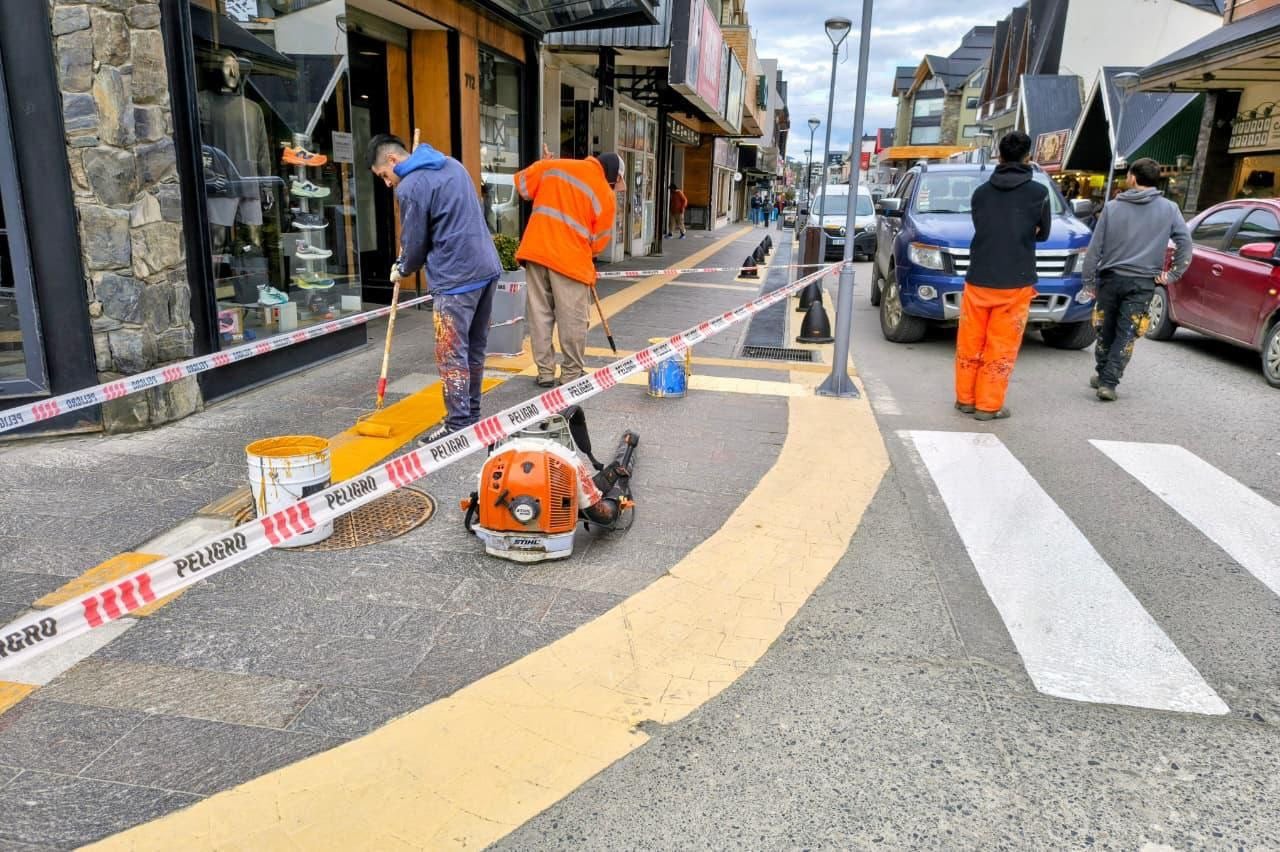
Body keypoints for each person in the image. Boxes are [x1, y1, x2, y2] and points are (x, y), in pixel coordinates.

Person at [368, 133, 502, 445]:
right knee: (474, 349)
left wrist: (402, 268)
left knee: (451, 353)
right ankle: (470, 415)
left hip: (456, 278)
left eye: (384, 176)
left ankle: (457, 424)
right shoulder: (453, 166)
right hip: (485, 267)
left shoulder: (412, 187)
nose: (388, 184)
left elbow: (414, 243)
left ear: (392, 160)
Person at [954, 130, 1051, 421]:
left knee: (970, 341)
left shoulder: (981, 193)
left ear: (999, 154)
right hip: (1016, 279)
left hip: (979, 275)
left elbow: (981, 226)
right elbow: (1043, 233)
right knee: (1001, 345)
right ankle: (988, 404)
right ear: (1028, 157)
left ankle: (965, 398)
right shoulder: (1038, 193)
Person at [1081, 157, 1192, 401]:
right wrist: (1173, 274)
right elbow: (1185, 242)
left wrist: (1088, 282)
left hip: (1111, 277)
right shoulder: (1169, 209)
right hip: (1143, 282)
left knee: (1104, 328)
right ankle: (1108, 382)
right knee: (1127, 331)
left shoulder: (1112, 207)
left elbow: (1094, 249)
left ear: (1132, 177)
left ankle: (1103, 374)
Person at [514, 151, 622, 387]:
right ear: (613, 176)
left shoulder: (554, 166)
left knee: (540, 315)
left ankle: (544, 373)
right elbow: (599, 242)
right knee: (572, 318)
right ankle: (571, 374)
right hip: (569, 261)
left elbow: (522, 185)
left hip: (536, 252)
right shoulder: (604, 191)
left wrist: (543, 162)